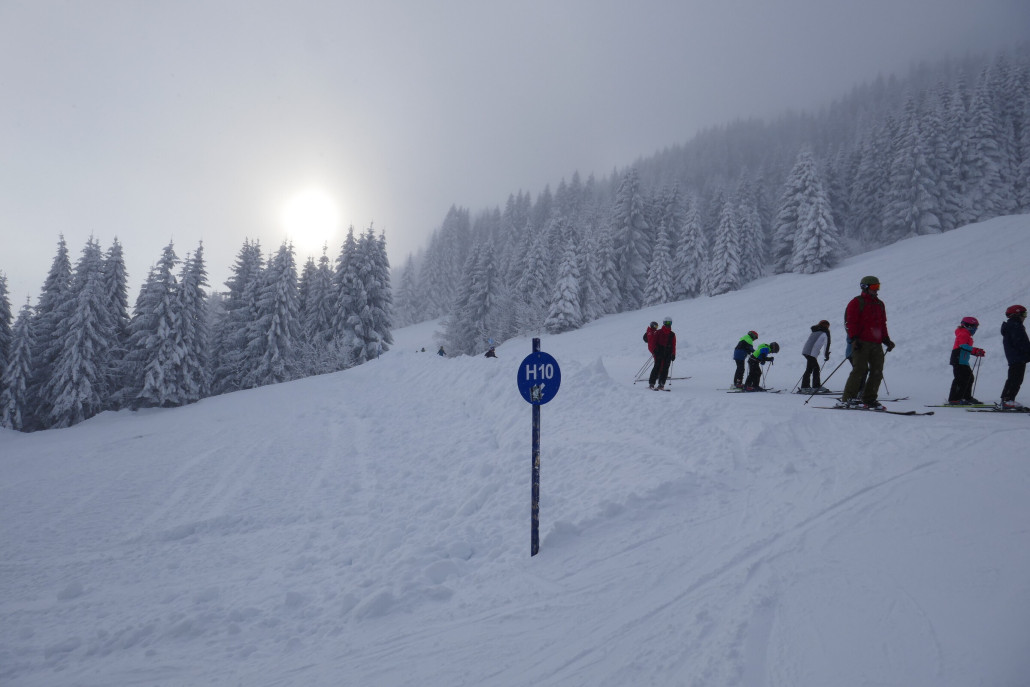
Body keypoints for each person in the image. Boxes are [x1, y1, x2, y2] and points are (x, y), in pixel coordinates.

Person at [839, 276, 895, 409]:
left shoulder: (879, 304)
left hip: (876, 343)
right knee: (860, 369)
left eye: (878, 287)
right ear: (865, 287)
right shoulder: (856, 302)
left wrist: (886, 339)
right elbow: (850, 322)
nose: (877, 290)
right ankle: (848, 398)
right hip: (861, 342)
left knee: (877, 371)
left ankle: (869, 399)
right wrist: (853, 339)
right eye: (874, 287)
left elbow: (882, 324)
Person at [947, 316, 985, 404]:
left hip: (962, 360)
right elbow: (963, 346)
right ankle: (954, 399)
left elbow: (966, 348)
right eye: (975, 327)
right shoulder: (963, 333)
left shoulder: (966, 334)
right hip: (958, 359)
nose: (976, 329)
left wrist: (975, 352)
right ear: (968, 326)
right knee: (960, 379)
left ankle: (966, 397)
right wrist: (976, 350)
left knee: (969, 378)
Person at [1000, 304, 1030, 409]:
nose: (1025, 317)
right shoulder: (1015, 326)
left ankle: (1006, 399)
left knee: (1014, 378)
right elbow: (1021, 342)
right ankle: (1008, 400)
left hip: (1016, 356)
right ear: (1016, 314)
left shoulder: (1013, 325)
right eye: (1024, 314)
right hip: (1017, 357)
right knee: (1015, 379)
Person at [800, 320, 831, 392]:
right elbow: (827, 344)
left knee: (810, 368)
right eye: (827, 326)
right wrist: (826, 355)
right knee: (815, 368)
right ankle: (809, 386)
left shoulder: (815, 330)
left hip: (806, 351)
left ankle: (808, 386)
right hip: (811, 353)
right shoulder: (825, 333)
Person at [649, 317, 676, 390]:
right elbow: (654, 342)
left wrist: (673, 354)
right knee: (657, 367)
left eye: (669, 323)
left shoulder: (672, 334)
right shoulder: (658, 332)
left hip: (668, 352)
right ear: (664, 323)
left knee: (665, 368)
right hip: (659, 352)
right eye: (666, 323)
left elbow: (674, 345)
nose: (668, 325)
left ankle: (661, 384)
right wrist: (655, 350)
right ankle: (652, 383)